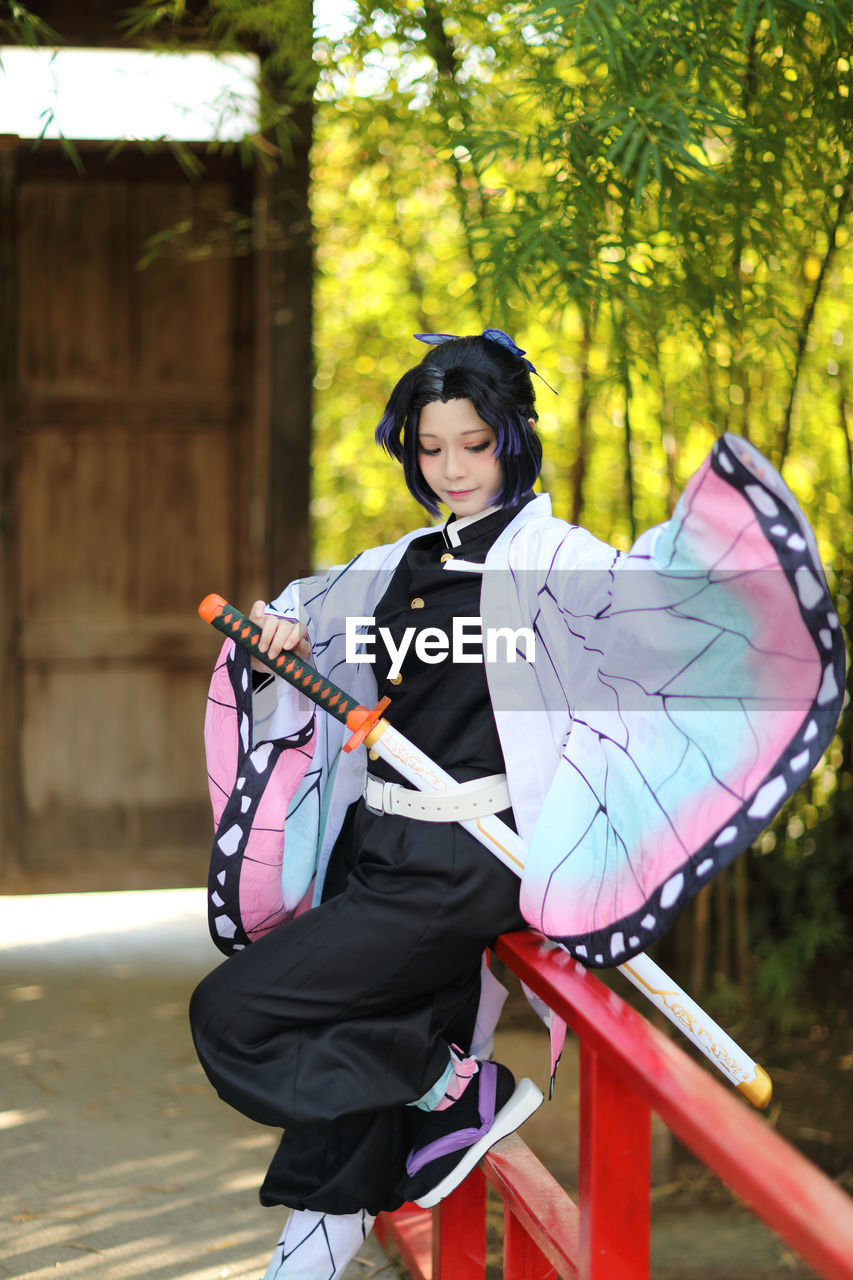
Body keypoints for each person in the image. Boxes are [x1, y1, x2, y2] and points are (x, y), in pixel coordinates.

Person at [190, 330, 843, 1280]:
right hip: (376, 850)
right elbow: (298, 624)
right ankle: (417, 1109)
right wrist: (280, 631)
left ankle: (448, 1084)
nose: (451, 467)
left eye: (473, 443)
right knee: (344, 1142)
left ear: (512, 440)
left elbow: (661, 620)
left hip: (464, 864)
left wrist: (733, 561)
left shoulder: (556, 562)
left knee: (234, 1016)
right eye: (431, 446)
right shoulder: (395, 565)